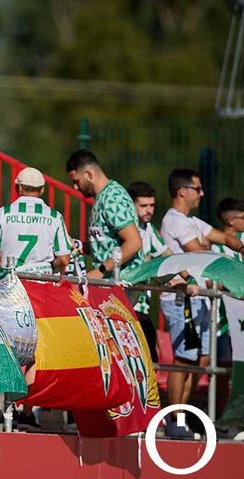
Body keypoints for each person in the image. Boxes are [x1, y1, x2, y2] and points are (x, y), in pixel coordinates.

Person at [159, 169, 244, 438]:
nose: (202, 193)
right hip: (181, 297)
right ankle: (175, 418)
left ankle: (183, 415)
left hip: (199, 299)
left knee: (200, 361)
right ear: (182, 191)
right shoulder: (174, 221)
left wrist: (239, 247)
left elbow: (225, 239)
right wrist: (212, 247)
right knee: (184, 360)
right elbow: (199, 253)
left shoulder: (192, 221)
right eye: (198, 188)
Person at [65, 150, 142, 279]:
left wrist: (100, 270)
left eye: (76, 181)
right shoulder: (101, 199)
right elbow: (106, 245)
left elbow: (134, 242)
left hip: (124, 285)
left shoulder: (112, 199)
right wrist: (78, 245)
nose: (75, 188)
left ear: (89, 174)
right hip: (110, 286)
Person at [0, 167, 71, 273]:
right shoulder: (55, 217)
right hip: (42, 283)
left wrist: (6, 271)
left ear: (19, 187)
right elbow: (64, 259)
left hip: (12, 283)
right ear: (42, 189)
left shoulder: (3, 213)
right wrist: (49, 266)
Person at [127, 181, 173, 362]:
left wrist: (183, 277)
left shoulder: (148, 229)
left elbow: (166, 256)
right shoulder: (125, 228)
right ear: (131, 206)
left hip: (142, 306)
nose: (149, 210)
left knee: (150, 359)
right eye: (143, 206)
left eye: (152, 205)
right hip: (125, 305)